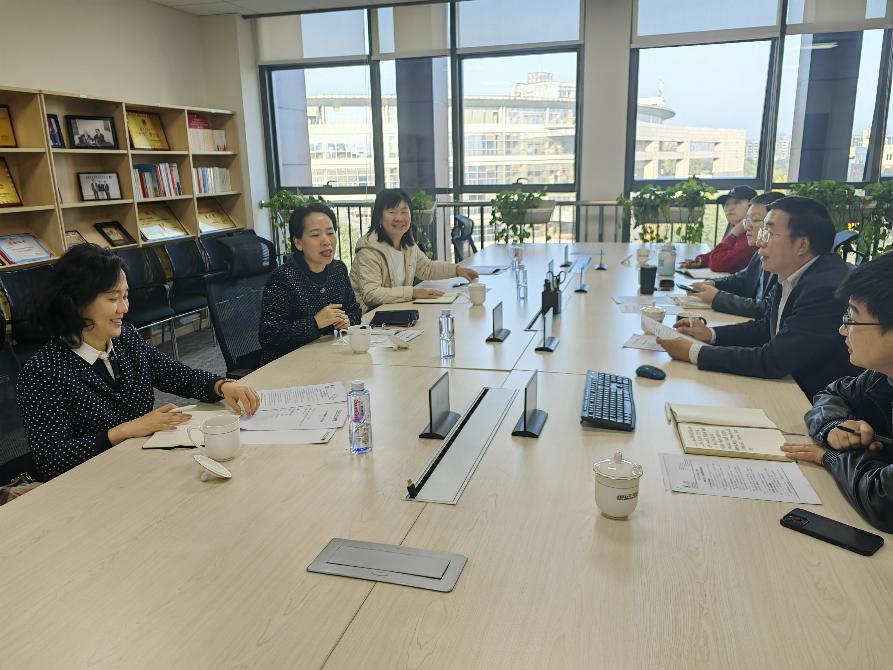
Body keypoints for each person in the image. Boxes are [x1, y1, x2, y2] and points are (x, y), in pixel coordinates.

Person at [16, 244, 259, 481]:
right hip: (93, 483)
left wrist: (221, 386)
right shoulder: (43, 371)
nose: (124, 308)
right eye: (113, 298)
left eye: (125, 296)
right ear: (77, 302)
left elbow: (174, 374)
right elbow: (50, 459)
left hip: (142, 467)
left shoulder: (126, 339)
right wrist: (125, 430)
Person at [657, 196, 860, 399]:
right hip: (789, 386)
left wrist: (695, 352)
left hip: (812, 401)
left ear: (802, 245)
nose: (761, 241)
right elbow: (766, 328)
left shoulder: (826, 288)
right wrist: (710, 334)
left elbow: (773, 361)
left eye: (769, 233)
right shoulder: (793, 270)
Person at [780, 253, 893, 532]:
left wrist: (831, 457)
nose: (843, 329)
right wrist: (834, 427)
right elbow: (832, 394)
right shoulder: (880, 376)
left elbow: (882, 499)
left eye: (852, 318)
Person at [259, 203, 361, 363]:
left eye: (330, 233)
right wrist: (315, 323)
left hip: (327, 356)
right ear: (298, 243)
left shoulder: (338, 270)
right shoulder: (283, 278)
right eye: (315, 235)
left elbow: (354, 310)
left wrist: (348, 321)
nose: (326, 241)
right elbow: (270, 336)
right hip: (288, 365)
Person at [349, 188, 479, 312]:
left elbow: (427, 268)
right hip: (368, 319)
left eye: (404, 211)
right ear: (379, 217)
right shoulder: (369, 250)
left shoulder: (407, 245)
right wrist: (413, 293)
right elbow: (371, 294)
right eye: (392, 212)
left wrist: (457, 270)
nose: (399, 218)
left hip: (394, 312)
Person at [687, 191, 784, 318]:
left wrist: (716, 297)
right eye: (747, 220)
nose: (747, 227)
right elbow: (742, 278)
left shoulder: (783, 259)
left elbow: (765, 309)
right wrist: (713, 283)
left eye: (755, 220)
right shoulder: (760, 251)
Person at [681, 185, 757, 273]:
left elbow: (717, 263)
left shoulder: (752, 236)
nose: (730, 208)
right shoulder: (740, 230)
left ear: (752, 207)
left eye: (737, 202)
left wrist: (733, 235)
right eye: (726, 204)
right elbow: (723, 252)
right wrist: (701, 261)